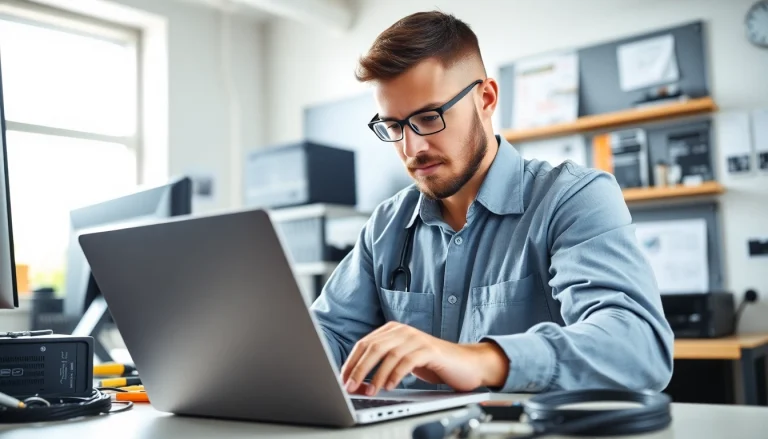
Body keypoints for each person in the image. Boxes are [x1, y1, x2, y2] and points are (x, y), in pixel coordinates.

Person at [310, 11, 674, 397]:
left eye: (430, 117)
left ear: (486, 98)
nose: (411, 148)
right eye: (395, 126)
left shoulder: (574, 198)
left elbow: (638, 348)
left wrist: (480, 360)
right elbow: (328, 334)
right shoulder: (386, 224)